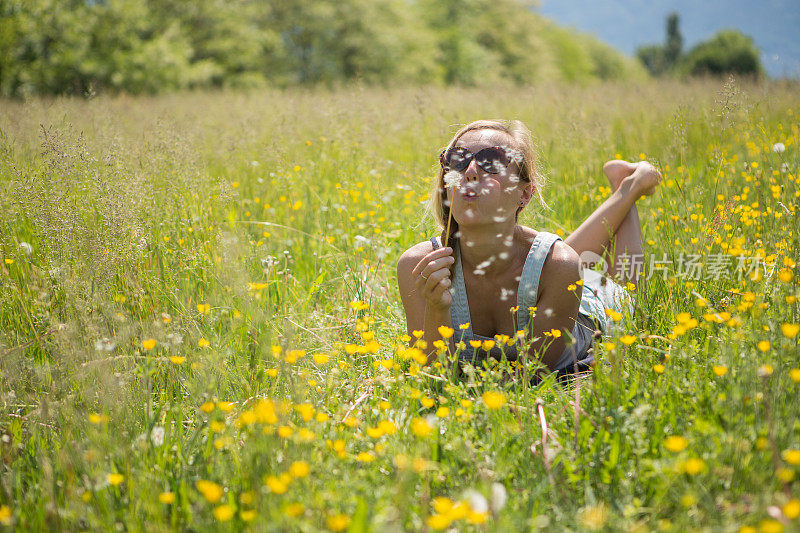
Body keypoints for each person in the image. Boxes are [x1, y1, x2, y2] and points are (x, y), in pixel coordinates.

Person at [396, 119, 662, 381]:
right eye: (458, 159)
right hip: (553, 274)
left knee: (626, 293)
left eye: (493, 161)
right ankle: (627, 186)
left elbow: (530, 376)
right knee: (553, 262)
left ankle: (631, 187)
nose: (471, 170)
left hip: (584, 310)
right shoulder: (419, 265)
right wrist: (437, 308)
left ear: (525, 194)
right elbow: (432, 376)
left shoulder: (561, 266)